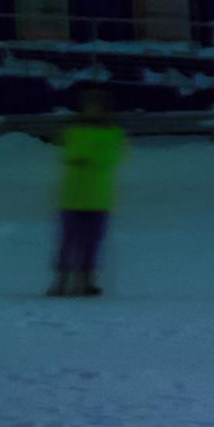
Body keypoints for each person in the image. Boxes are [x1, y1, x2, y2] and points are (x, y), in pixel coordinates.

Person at [50, 85, 125, 297]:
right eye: (89, 106)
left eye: (96, 107)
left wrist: (85, 157)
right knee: (68, 241)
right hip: (73, 196)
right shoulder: (73, 131)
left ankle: (85, 281)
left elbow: (110, 157)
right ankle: (62, 281)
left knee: (91, 241)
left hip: (97, 197)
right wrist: (90, 156)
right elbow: (69, 152)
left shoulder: (112, 133)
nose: (92, 110)